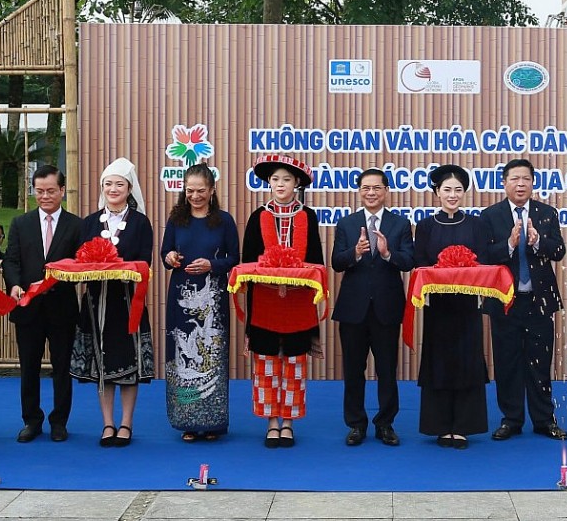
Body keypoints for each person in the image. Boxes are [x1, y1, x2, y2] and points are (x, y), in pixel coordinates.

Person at [480, 158, 567, 441]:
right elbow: (484, 257)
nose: (520, 184)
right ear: (504, 183)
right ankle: (511, 419)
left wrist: (537, 241)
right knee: (507, 361)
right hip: (504, 301)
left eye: (526, 179)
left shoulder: (546, 213)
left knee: (540, 362)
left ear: (533, 183)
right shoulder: (490, 215)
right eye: (514, 179)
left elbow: (558, 251)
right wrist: (509, 244)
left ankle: (544, 420)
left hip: (539, 301)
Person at [70, 157, 154, 447]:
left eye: (119, 184)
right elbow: (81, 259)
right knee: (102, 365)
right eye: (108, 184)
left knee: (128, 365)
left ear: (130, 188)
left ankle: (126, 424)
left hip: (128, 303)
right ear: (102, 187)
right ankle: (107, 423)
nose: (113, 189)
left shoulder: (141, 222)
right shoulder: (91, 222)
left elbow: (145, 263)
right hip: (95, 304)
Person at [241, 154, 323, 449]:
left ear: (297, 183)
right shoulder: (257, 216)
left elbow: (316, 262)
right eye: (275, 179)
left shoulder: (307, 216)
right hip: (264, 301)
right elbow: (247, 263)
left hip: (298, 303)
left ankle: (288, 422)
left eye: (286, 179)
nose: (279, 184)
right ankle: (271, 422)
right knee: (265, 362)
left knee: (293, 363)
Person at [331, 168, 414, 447]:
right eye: (366, 188)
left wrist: (388, 253)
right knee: (353, 369)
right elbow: (336, 262)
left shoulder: (400, 224)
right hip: (353, 308)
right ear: (359, 191)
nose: (371, 192)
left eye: (376, 188)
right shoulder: (347, 223)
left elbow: (408, 261)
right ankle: (356, 424)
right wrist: (355, 252)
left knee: (387, 369)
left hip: (386, 308)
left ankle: (386, 424)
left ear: (386, 190)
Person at [2, 165, 82, 443]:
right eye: (40, 191)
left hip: (62, 307)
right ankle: (31, 420)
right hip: (28, 307)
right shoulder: (21, 223)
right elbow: (11, 260)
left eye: (51, 190)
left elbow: (81, 265)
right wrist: (13, 284)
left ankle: (59, 421)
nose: (45, 196)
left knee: (62, 367)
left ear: (62, 191)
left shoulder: (76, 225)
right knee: (29, 367)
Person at [160, 164, 240, 443]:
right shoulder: (176, 220)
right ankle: (187, 421)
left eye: (201, 191)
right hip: (180, 298)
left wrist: (212, 264)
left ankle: (214, 422)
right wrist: (170, 257)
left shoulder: (224, 221)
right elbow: (164, 253)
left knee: (210, 355)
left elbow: (234, 259)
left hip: (213, 299)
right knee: (184, 355)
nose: (195, 196)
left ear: (212, 190)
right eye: (190, 190)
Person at [413, 164, 489, 448]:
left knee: (467, 361)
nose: (453, 195)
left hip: (468, 305)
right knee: (440, 361)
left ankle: (464, 425)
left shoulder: (476, 224)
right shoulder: (426, 226)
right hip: (438, 306)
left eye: (458, 190)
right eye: (447, 190)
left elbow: (484, 263)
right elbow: (419, 263)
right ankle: (441, 425)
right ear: (436, 192)